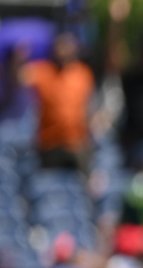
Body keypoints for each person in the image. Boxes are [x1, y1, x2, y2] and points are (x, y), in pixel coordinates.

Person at [21, 32, 94, 170]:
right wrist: (20, 56)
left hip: (77, 143)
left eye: (66, 46)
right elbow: (18, 77)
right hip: (49, 144)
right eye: (60, 46)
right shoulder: (43, 71)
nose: (63, 51)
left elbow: (90, 105)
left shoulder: (83, 73)